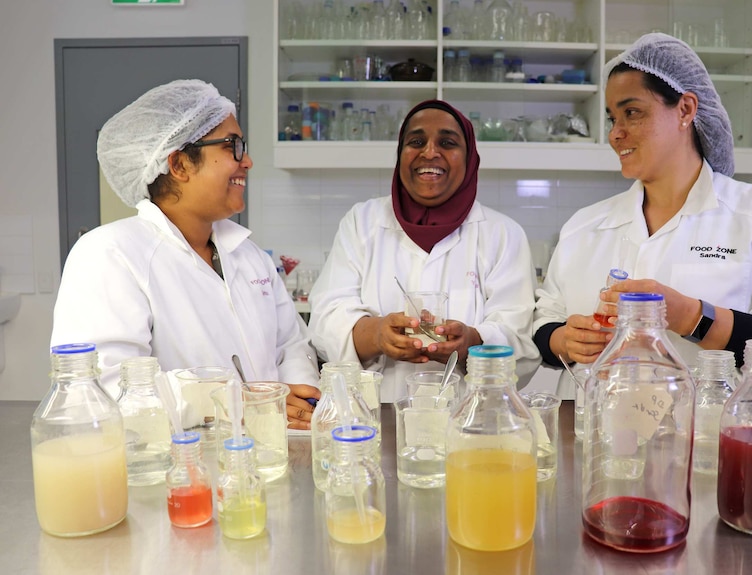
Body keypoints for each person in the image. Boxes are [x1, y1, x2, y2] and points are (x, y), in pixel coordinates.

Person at [533, 33, 752, 386]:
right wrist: (564, 340)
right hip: (597, 435)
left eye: (631, 113)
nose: (615, 134)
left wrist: (693, 318)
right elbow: (544, 320)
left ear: (685, 110)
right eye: (612, 118)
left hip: (713, 434)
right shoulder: (584, 225)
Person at [50, 79, 320, 428]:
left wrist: (300, 395)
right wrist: (244, 402)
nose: (248, 161)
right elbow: (105, 396)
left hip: (262, 458)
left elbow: (292, 344)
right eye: (232, 146)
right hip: (177, 470)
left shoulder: (249, 256)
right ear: (178, 165)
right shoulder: (110, 255)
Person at [309, 100, 540, 401]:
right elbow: (326, 321)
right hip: (374, 419)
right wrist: (378, 334)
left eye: (447, 142)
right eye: (416, 141)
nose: (429, 152)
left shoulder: (502, 234)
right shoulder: (362, 222)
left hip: (470, 422)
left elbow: (521, 343)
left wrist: (472, 343)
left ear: (469, 158)